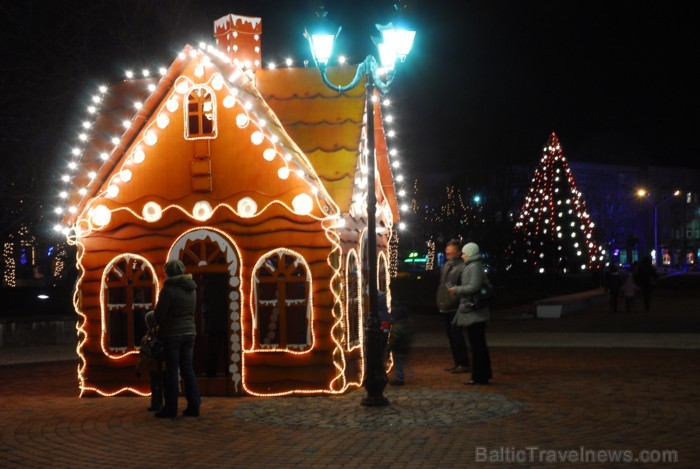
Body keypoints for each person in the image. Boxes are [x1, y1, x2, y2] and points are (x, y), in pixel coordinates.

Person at [153, 260, 201, 418]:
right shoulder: (191, 288)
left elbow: (159, 315)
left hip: (173, 333)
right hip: (190, 332)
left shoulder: (168, 290)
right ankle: (194, 405)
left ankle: (171, 408)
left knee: (172, 371)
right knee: (188, 369)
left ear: (168, 273)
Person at [448, 242, 492, 385]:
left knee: (477, 344)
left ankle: (479, 376)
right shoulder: (474, 265)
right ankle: (481, 375)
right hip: (474, 311)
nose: (463, 255)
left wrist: (457, 290)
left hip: (474, 311)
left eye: (465, 253)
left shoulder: (473, 266)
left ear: (471, 253)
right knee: (477, 344)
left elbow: (473, 287)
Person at [436, 239, 470, 374]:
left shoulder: (461, 265)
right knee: (451, 335)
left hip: (455, 305)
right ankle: (458, 362)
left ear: (457, 249)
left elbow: (462, 285)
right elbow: (443, 284)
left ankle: (464, 362)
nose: (447, 248)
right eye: (447, 246)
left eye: (450, 246)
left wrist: (456, 298)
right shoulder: (447, 265)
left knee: (457, 335)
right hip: (447, 303)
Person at [135, 311, 165, 411]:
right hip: (166, 366)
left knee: (155, 386)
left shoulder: (147, 339)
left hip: (154, 367)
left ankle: (156, 405)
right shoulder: (165, 336)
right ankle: (166, 404)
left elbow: (145, 356)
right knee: (165, 386)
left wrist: (139, 369)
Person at [202, 274, 229, 378]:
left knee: (213, 350)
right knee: (229, 350)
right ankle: (229, 373)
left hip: (214, 320)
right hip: (228, 320)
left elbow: (206, 300)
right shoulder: (229, 281)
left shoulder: (210, 283)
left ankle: (211, 374)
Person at [387, 300, 414, 386]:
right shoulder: (408, 324)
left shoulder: (397, 327)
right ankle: (401, 375)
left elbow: (394, 339)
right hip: (405, 348)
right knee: (401, 363)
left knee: (398, 364)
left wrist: (389, 348)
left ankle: (400, 378)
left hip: (398, 348)